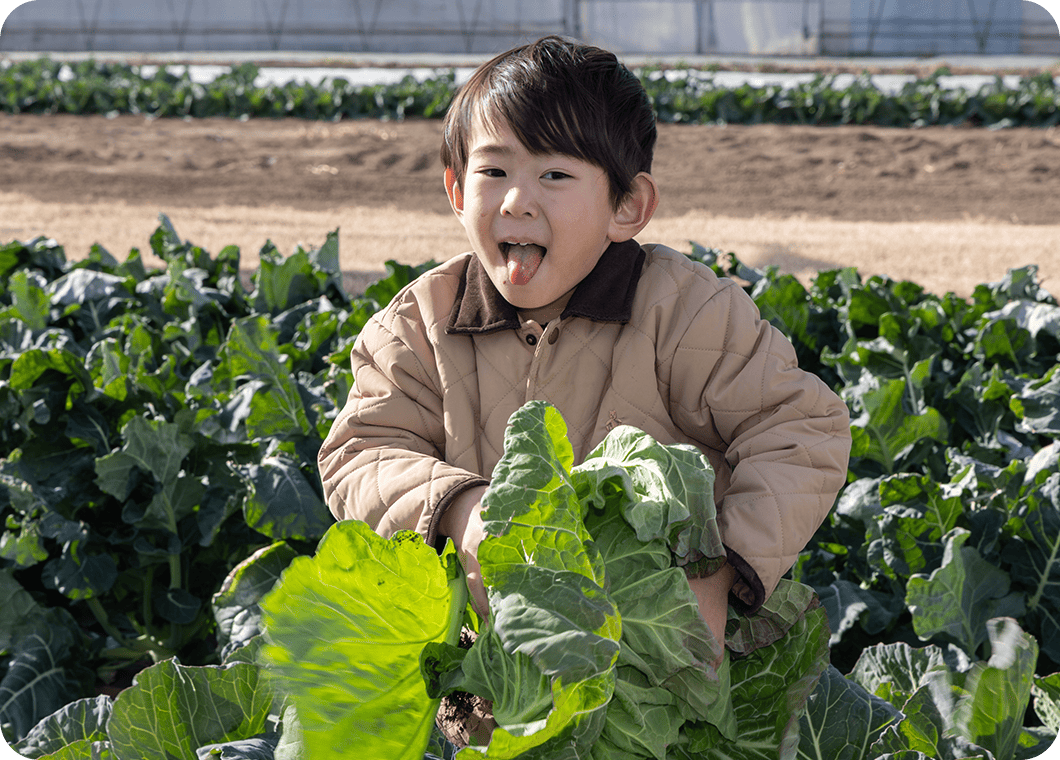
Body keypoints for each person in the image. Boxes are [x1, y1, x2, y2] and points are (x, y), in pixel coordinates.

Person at [318, 34, 851, 744]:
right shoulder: (418, 323)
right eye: (494, 170)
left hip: (667, 677)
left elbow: (801, 430)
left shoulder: (686, 310)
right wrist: (459, 507)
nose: (517, 200)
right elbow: (362, 448)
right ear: (454, 189)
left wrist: (724, 571)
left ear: (627, 206)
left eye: (555, 176)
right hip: (492, 676)